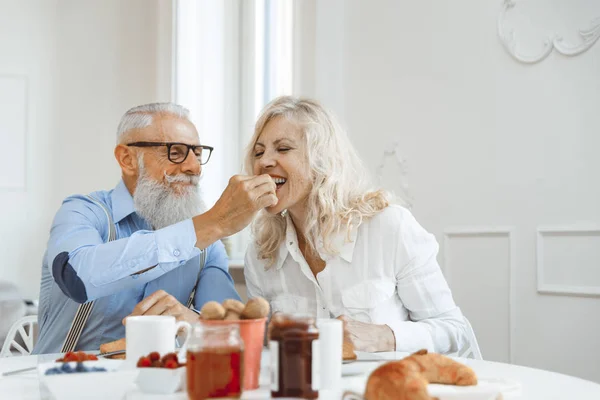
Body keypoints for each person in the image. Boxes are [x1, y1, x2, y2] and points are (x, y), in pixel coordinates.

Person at [33, 103, 277, 354]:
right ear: (127, 159)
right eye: (176, 152)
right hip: (61, 386)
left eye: (197, 153)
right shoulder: (83, 212)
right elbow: (76, 275)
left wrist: (191, 322)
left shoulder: (207, 246)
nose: (194, 167)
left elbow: (236, 335)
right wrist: (213, 222)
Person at [243, 96, 469, 354]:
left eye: (283, 149)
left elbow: (455, 330)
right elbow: (262, 353)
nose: (264, 162)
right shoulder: (260, 255)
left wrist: (386, 336)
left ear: (321, 158)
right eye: (258, 152)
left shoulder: (389, 227)